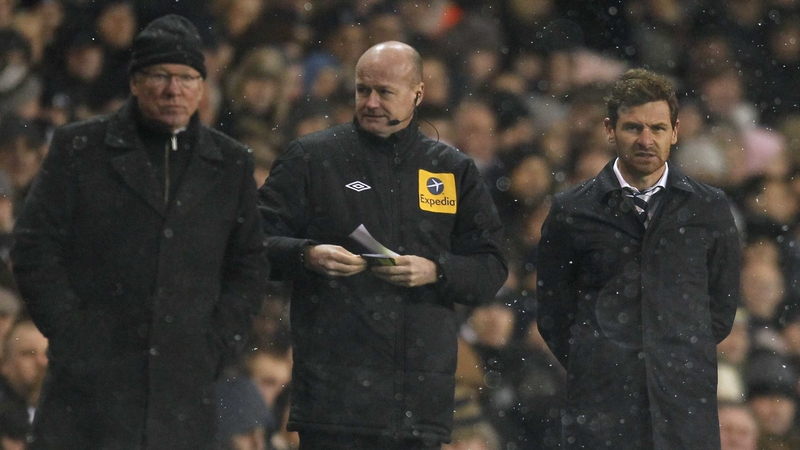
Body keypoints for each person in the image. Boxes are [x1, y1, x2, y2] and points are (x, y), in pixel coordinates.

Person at [11, 14, 269, 449]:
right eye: (161, 76)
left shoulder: (232, 163)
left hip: (183, 393)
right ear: (134, 82)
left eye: (187, 77)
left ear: (203, 87)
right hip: (88, 394)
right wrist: (72, 331)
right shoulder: (80, 148)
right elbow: (34, 247)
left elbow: (249, 263)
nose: (174, 90)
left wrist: (219, 343)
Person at [258, 41, 507, 449]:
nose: (371, 102)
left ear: (418, 94)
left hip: (418, 402)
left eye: (385, 92)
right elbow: (252, 241)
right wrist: (306, 254)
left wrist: (437, 271)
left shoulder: (452, 169)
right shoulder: (312, 158)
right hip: (332, 397)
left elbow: (492, 266)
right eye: (362, 90)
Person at [536, 68, 741, 449]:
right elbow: (553, 310)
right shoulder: (572, 210)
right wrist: (599, 359)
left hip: (684, 406)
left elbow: (721, 306)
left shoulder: (709, 207)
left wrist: (675, 354)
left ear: (675, 132)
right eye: (633, 128)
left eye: (658, 128)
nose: (646, 140)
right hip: (600, 405)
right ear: (610, 130)